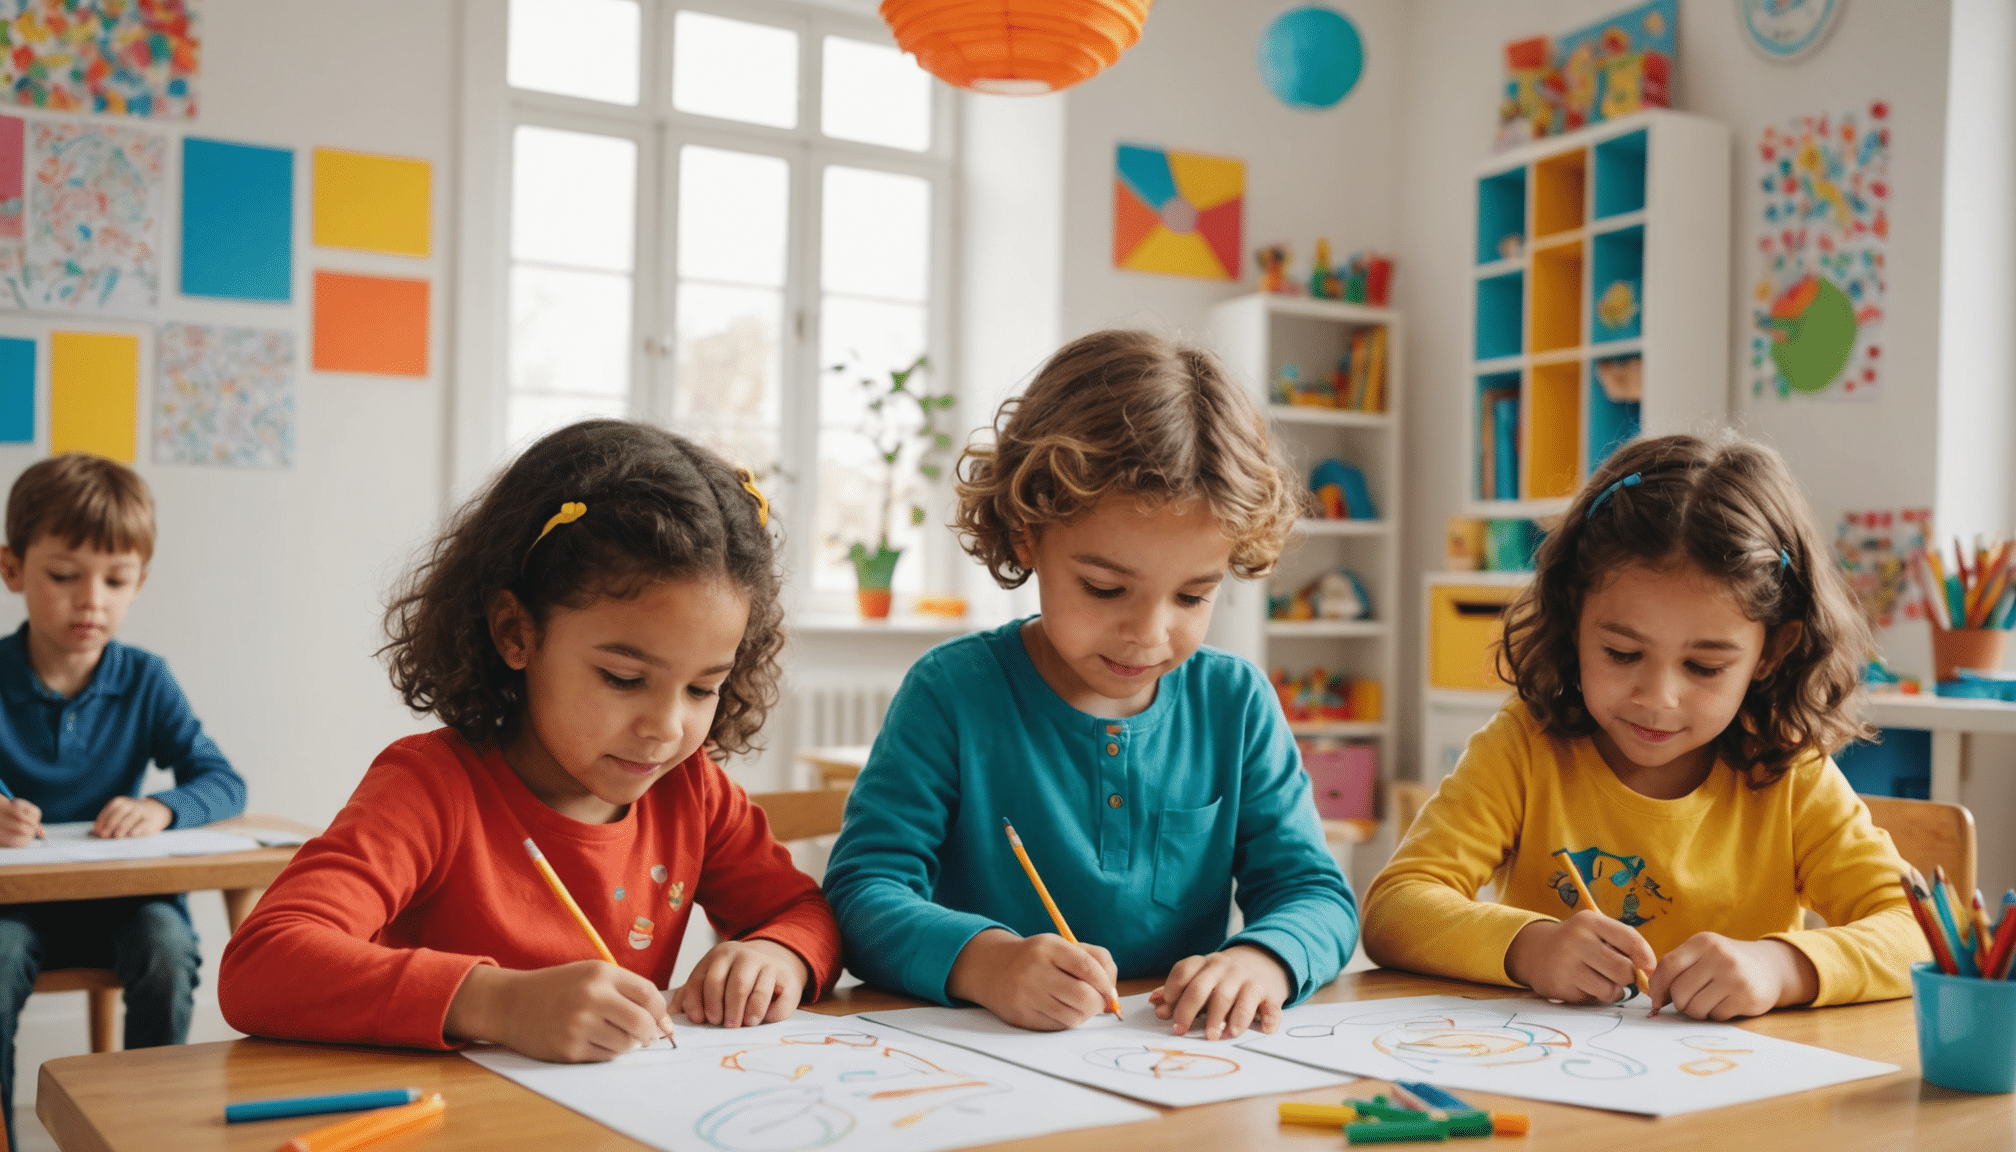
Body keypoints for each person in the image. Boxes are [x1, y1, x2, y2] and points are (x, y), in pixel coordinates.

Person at [220, 420, 840, 1061]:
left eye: (703, 688)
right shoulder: (432, 790)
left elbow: (805, 910)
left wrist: (777, 953)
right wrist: (496, 1003)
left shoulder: (693, 792)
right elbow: (261, 964)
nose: (667, 727)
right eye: (624, 678)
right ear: (515, 633)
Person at [824, 330, 1358, 1041]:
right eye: (1105, 589)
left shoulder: (1236, 703)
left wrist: (1263, 960)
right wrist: (989, 964)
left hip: (1174, 1071)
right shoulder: (952, 693)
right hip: (984, 1069)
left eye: (1194, 596)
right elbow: (863, 894)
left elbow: (1316, 896)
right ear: (1026, 534)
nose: (1148, 633)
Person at [1363, 432, 1926, 1018]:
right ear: (1573, 613)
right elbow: (1393, 909)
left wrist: (1783, 967)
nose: (1657, 699)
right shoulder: (1527, 746)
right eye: (1622, 654)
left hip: (1735, 1093)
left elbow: (1920, 930)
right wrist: (1529, 948)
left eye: (1705, 667)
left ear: (1771, 652)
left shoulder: (1786, 770)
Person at [0, 453, 245, 1146]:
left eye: (116, 580)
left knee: (169, 948)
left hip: (125, 901)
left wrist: (164, 808)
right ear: (12, 568)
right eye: (63, 576)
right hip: (15, 912)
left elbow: (224, 780)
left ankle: (142, 1133)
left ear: (141, 582)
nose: (92, 601)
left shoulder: (145, 679)